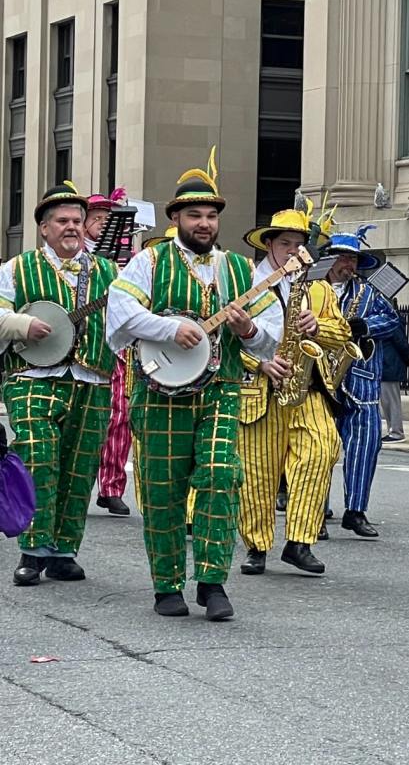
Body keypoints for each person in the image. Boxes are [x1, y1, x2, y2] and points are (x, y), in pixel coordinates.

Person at [106, 149, 283, 619]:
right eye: (194, 214)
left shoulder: (239, 270)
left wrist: (248, 331)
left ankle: (212, 581)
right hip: (159, 393)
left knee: (221, 476)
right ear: (177, 217)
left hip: (220, 390)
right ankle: (166, 585)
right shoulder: (150, 261)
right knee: (162, 489)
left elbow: (272, 336)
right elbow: (119, 313)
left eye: (210, 215)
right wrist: (168, 329)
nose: (204, 223)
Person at [1, 183, 120, 587]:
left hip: (92, 379)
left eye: (77, 221)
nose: (72, 227)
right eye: (62, 221)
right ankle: (33, 551)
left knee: (80, 466)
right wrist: (23, 324)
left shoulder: (109, 272)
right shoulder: (17, 268)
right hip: (32, 377)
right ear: (44, 228)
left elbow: (130, 318)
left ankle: (64, 551)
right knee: (38, 459)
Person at [236, 206, 349, 577]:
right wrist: (261, 363)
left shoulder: (318, 288)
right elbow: (225, 340)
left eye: (299, 244)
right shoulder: (246, 283)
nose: (292, 251)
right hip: (261, 389)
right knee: (258, 472)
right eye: (285, 243)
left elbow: (343, 334)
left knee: (321, 450)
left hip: (308, 387)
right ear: (269, 244)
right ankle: (256, 546)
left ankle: (300, 541)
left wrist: (318, 328)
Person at [325, 226, 400, 538]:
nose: (349, 264)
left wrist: (365, 325)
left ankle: (356, 511)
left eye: (353, 259)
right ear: (329, 259)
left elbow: (393, 320)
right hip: (322, 381)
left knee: (365, 448)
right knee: (319, 450)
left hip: (363, 383)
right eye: (343, 257)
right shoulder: (314, 289)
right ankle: (314, 512)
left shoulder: (368, 293)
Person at [85, 187, 134, 517]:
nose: (103, 223)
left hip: (117, 347)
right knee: (88, 418)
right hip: (84, 345)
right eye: (97, 217)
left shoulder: (123, 260)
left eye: (108, 218)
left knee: (120, 416)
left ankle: (112, 487)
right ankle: (80, 482)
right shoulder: (78, 256)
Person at [380, 302, 409, 443]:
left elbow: (400, 341)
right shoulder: (391, 319)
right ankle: (393, 430)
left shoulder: (392, 320)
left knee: (391, 401)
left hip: (390, 364)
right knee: (388, 401)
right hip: (388, 363)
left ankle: (396, 432)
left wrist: (407, 357)